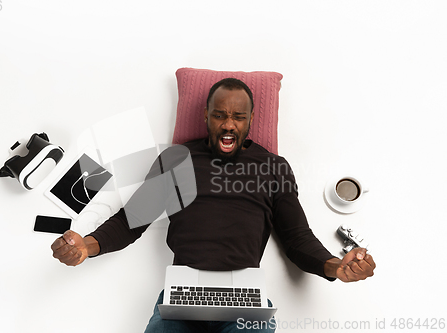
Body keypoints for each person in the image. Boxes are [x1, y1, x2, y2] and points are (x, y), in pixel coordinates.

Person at [51, 78, 376, 332]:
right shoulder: (176, 160)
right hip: (182, 294)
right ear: (206, 115)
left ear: (250, 119)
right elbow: (131, 220)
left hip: (243, 301)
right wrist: (86, 246)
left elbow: (297, 238)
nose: (228, 125)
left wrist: (336, 267)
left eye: (238, 116)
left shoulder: (273, 166)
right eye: (220, 115)